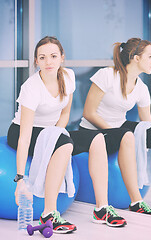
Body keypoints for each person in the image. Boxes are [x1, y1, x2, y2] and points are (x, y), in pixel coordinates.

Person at [7, 36, 127, 234]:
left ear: (62, 57)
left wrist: (57, 133)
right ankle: (49, 213)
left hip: (51, 129)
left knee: (97, 138)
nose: (48, 62)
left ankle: (102, 208)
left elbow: (64, 113)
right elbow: (25, 135)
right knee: (63, 143)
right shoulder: (31, 87)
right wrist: (20, 178)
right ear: (36, 61)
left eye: (53, 56)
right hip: (22, 131)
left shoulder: (68, 77)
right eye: (42, 57)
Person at [80, 37, 151, 217]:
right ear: (136, 58)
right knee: (125, 135)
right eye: (150, 57)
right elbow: (89, 113)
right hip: (93, 131)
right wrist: (113, 131)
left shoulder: (141, 88)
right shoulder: (107, 75)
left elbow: (147, 124)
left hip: (119, 128)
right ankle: (136, 201)